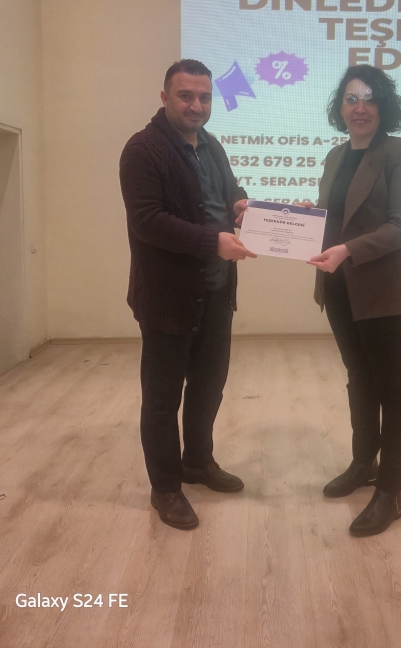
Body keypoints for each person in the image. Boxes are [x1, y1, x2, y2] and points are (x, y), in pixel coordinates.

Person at [119, 59, 256, 530]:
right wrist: (212, 241)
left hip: (216, 293)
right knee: (162, 398)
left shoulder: (212, 146)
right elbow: (148, 221)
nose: (196, 105)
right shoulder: (142, 149)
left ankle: (198, 462)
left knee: (208, 386)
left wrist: (240, 204)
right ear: (165, 98)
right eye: (185, 96)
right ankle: (166, 487)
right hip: (167, 299)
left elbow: (228, 191)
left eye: (204, 97)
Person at [308, 64, 401, 537]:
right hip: (341, 288)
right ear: (340, 107)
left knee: (392, 389)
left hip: (388, 290)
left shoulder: (398, 152)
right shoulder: (335, 156)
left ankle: (391, 491)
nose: (360, 108)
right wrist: (305, 220)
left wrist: (347, 250)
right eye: (351, 99)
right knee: (359, 379)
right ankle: (364, 464)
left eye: (370, 99)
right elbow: (335, 219)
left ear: (384, 107)